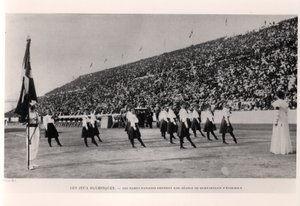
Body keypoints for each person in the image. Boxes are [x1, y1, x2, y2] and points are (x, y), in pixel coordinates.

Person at [270, 90, 293, 155]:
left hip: (279, 120)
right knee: (284, 134)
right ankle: (285, 149)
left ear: (277, 96)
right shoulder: (285, 103)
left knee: (278, 133)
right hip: (284, 120)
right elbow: (286, 112)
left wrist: (276, 121)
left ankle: (277, 149)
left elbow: (277, 112)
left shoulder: (277, 103)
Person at [26, 100, 40, 170]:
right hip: (30, 129)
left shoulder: (36, 113)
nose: (33, 108)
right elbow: (23, 121)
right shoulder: (27, 114)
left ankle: (33, 162)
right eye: (31, 106)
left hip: (36, 129)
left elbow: (39, 121)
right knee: (30, 146)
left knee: (36, 146)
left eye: (33, 106)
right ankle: (29, 164)